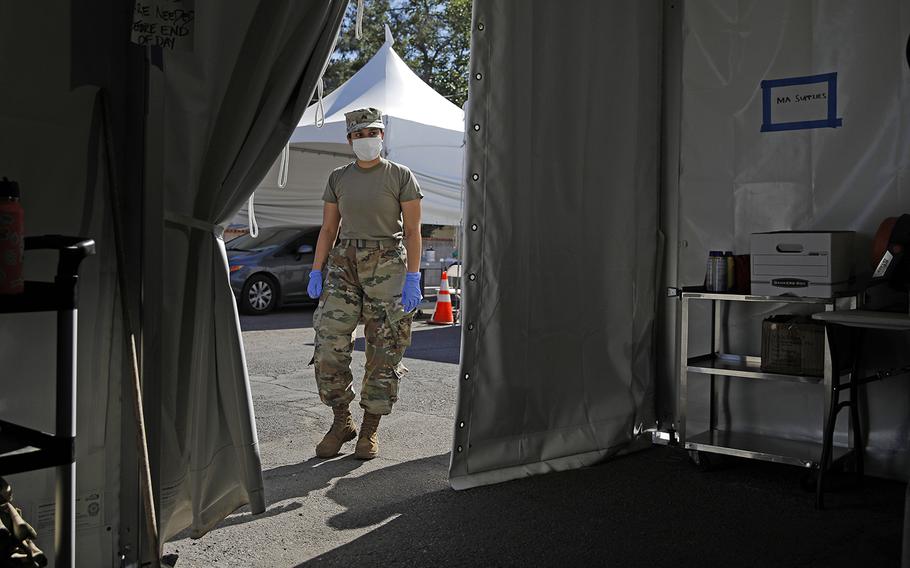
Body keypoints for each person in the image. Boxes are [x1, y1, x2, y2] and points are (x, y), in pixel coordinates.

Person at [306, 107, 423, 460]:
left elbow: (415, 230)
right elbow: (328, 229)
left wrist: (414, 277)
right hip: (344, 263)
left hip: (388, 261)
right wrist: (316, 269)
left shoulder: (401, 176)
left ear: (382, 136)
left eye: (371, 133)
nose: (365, 140)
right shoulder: (339, 177)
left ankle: (370, 428)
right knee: (328, 342)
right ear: (349, 140)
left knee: (385, 346)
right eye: (358, 135)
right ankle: (342, 420)